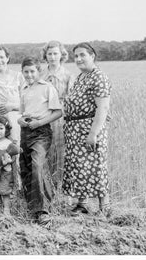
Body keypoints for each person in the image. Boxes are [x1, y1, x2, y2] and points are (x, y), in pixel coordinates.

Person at [62, 42, 112, 216]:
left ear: (93, 56)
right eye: (76, 56)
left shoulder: (99, 77)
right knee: (79, 167)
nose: (79, 59)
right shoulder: (81, 77)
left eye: (83, 55)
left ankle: (104, 208)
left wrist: (93, 134)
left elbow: (103, 108)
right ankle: (82, 205)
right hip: (74, 130)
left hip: (90, 129)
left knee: (96, 167)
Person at [18, 57, 63, 225]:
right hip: (26, 130)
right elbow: (23, 112)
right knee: (26, 168)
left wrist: (39, 123)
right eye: (26, 72)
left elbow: (58, 112)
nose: (29, 75)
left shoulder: (47, 88)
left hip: (41, 131)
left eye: (32, 71)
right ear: (22, 72)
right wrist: (19, 120)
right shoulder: (23, 88)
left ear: (38, 71)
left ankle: (43, 210)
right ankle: (32, 207)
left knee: (38, 166)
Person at [40, 41, 73, 187]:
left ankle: (60, 186)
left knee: (60, 151)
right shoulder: (40, 74)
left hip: (61, 116)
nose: (52, 57)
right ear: (45, 56)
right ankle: (46, 186)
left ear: (61, 55)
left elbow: (71, 98)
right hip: (43, 115)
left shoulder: (67, 75)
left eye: (55, 53)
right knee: (45, 151)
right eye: (49, 54)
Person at [0, 45, 24, 144]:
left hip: (13, 123)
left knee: (13, 152)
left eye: (2, 57)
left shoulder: (18, 76)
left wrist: (12, 106)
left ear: (7, 58)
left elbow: (28, 102)